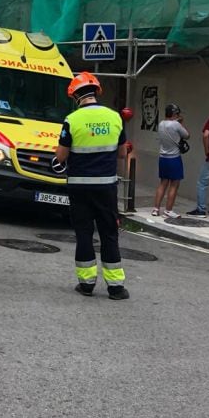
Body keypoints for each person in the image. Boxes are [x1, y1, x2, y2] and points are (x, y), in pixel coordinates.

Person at [55, 72, 130, 300]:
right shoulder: (115, 117)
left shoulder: (71, 120)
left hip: (79, 188)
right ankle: (116, 288)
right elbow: (121, 153)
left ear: (75, 96)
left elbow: (61, 157)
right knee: (109, 233)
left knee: (84, 234)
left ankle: (86, 284)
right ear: (96, 92)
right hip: (106, 187)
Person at [152, 103, 189, 218]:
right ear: (174, 114)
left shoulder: (161, 124)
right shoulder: (176, 125)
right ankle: (168, 210)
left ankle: (156, 209)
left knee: (163, 183)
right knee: (174, 184)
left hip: (163, 158)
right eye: (177, 113)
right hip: (174, 158)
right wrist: (180, 123)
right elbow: (187, 135)